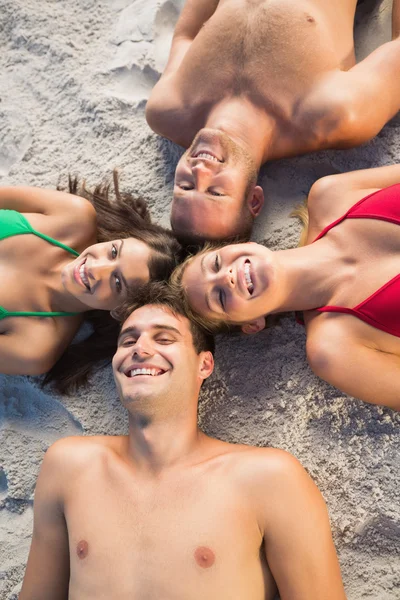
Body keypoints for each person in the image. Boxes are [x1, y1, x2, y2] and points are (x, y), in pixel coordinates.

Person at [20, 282, 347, 600]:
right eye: (128, 340)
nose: (140, 349)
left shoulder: (269, 478)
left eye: (164, 338)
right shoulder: (69, 467)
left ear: (204, 364)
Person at [146, 0, 400, 244]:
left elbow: (185, 36)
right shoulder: (332, 115)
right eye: (215, 192)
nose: (200, 170)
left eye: (186, 186)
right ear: (254, 200)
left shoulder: (167, 108)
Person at [172, 164, 400, 411]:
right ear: (252, 324)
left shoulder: (331, 193)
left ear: (241, 244)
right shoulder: (333, 350)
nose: (226, 277)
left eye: (216, 263)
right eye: (219, 297)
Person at [0, 172, 181, 382]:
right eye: (113, 252)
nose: (97, 268)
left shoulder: (34, 346)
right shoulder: (73, 214)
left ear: (120, 311)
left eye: (116, 282)